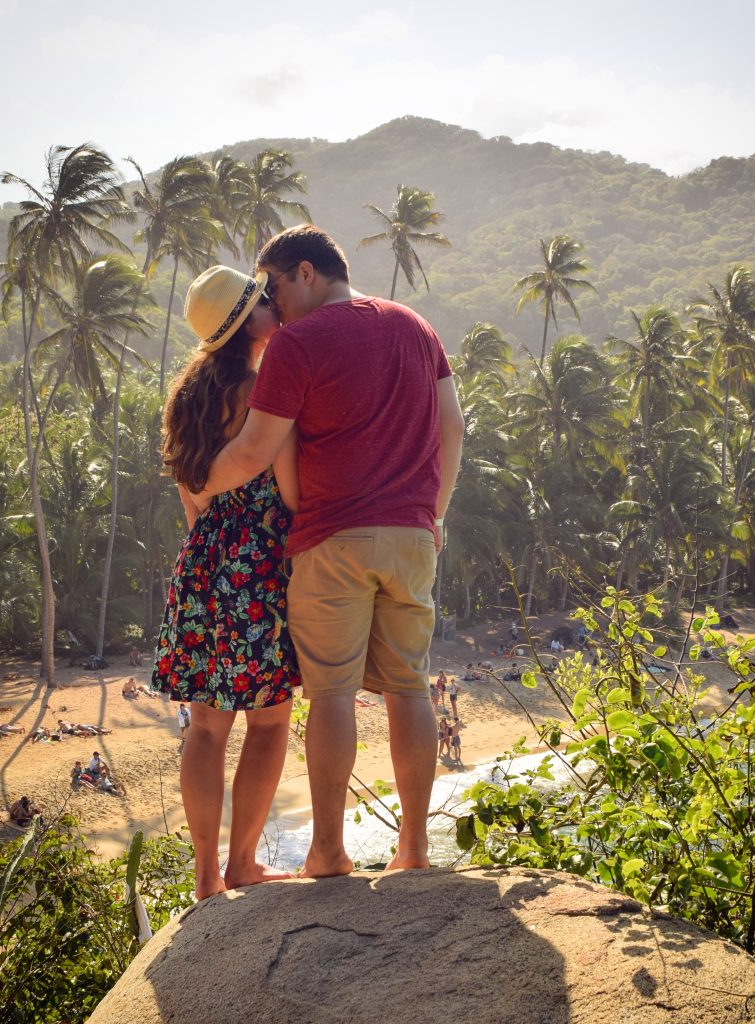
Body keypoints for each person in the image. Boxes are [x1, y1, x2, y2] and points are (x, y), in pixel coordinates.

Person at [193, 226, 465, 877]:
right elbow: (452, 426)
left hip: (330, 539)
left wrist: (198, 481)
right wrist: (434, 515)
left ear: (307, 272)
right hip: (410, 536)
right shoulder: (415, 327)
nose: (274, 303)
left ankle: (327, 851)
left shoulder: (297, 342)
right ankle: (415, 852)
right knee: (407, 689)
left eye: (275, 286)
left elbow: (257, 450)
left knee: (333, 694)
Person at [150, 264, 301, 900]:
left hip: (204, 560)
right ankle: (243, 862)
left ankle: (206, 875)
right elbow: (289, 487)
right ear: (247, 321)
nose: (275, 305)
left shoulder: (187, 397)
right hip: (258, 563)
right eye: (264, 300)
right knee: (268, 723)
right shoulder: (262, 389)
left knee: (206, 728)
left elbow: (194, 499)